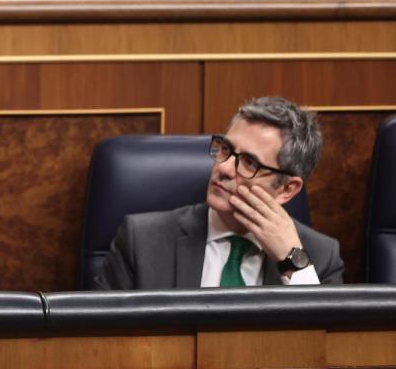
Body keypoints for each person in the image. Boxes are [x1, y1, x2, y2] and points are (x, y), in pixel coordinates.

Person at [95, 96, 344, 290]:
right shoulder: (143, 240)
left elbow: (322, 351)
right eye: (225, 149)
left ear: (287, 189)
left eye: (249, 163)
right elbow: (103, 341)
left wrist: (291, 261)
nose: (223, 168)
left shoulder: (319, 257)